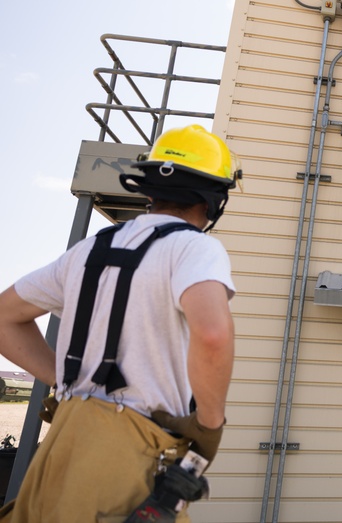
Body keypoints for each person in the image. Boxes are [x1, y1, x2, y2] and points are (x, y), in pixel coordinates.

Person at [0, 124, 240, 522]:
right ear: (214, 201)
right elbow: (213, 334)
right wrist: (209, 426)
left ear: (150, 189)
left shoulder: (89, 249)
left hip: (61, 443)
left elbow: (4, 317)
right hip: (132, 451)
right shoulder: (195, 247)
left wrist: (63, 381)